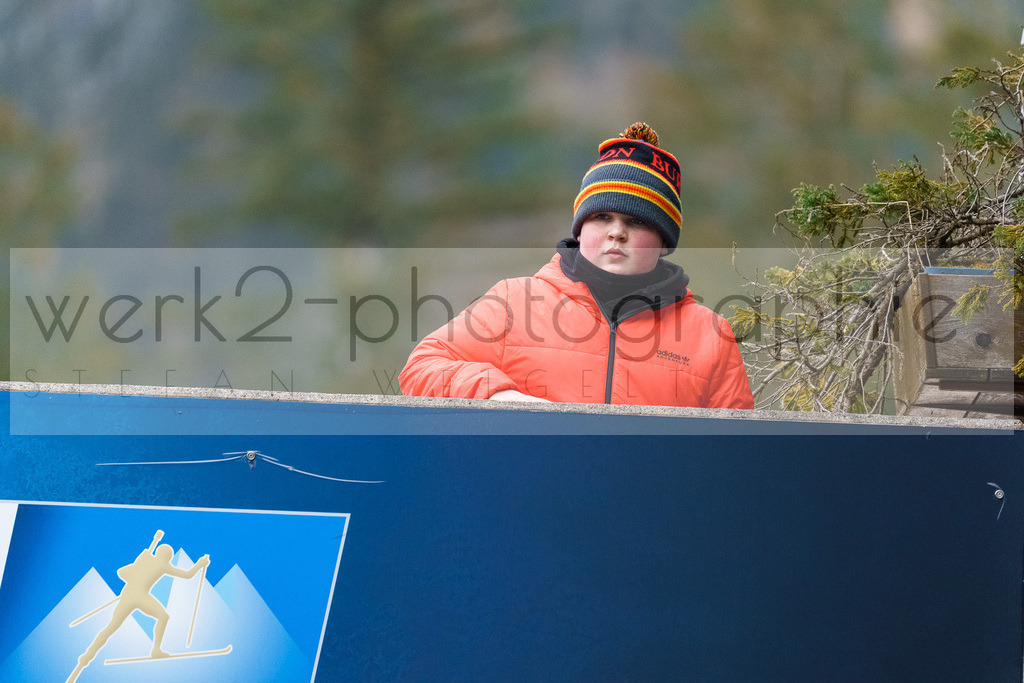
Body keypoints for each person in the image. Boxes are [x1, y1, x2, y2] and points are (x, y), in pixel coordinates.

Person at [399, 123, 753, 409]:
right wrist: (501, 396)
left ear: (663, 241)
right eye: (601, 217)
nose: (617, 232)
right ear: (580, 229)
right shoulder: (514, 301)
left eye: (637, 222)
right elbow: (420, 369)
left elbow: (740, 460)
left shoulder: (711, 336)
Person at [68, 530, 210, 682]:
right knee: (163, 617)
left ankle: (85, 658)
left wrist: (155, 541)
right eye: (169, 556)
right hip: (140, 596)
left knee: (110, 628)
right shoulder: (162, 564)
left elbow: (130, 568)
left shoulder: (148, 558)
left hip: (129, 594)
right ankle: (155, 650)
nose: (169, 559)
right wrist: (200, 564)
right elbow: (187, 575)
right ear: (167, 556)